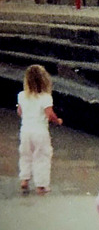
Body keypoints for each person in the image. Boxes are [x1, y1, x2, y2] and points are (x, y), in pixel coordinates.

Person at [17, 64, 63, 195]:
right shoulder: (45, 97)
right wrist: (57, 120)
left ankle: (24, 180)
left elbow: (20, 111)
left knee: (25, 155)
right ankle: (41, 185)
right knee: (42, 156)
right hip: (40, 131)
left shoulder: (21, 95)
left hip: (25, 130)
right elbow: (49, 114)